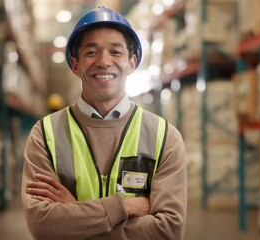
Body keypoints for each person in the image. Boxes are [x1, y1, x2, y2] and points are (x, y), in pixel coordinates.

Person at [21, 6, 187, 240]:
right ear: (75, 65)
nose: (104, 61)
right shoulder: (45, 135)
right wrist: (124, 207)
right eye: (91, 52)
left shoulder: (164, 137)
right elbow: (43, 225)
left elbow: (168, 230)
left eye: (116, 52)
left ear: (132, 62)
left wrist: (75, 213)